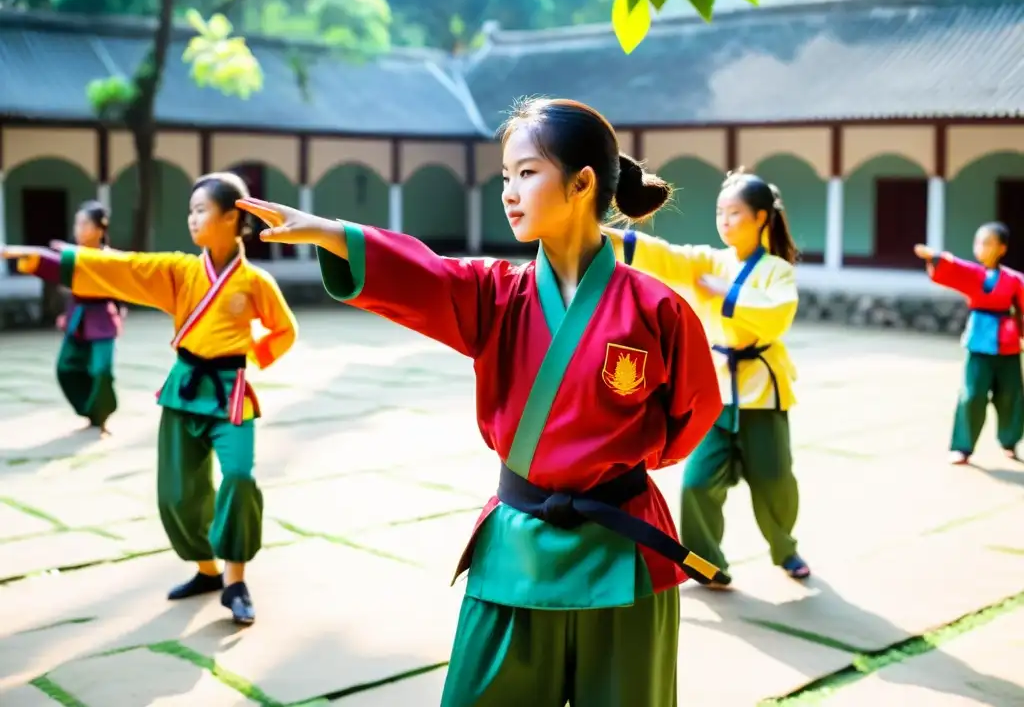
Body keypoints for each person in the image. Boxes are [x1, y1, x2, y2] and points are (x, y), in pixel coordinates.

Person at [235, 97, 723, 707]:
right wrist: (329, 233)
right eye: (505, 177)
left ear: (582, 182)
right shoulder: (494, 293)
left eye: (526, 173)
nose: (509, 192)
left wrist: (613, 468)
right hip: (516, 546)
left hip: (622, 553)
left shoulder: (657, 309)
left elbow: (693, 411)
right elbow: (424, 277)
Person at [1, 172, 298, 625]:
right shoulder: (180, 271)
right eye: (190, 210)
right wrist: (45, 262)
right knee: (179, 494)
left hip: (230, 393)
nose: (192, 218)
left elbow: (284, 330)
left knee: (239, 477)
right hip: (183, 389)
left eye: (202, 210)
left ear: (231, 218)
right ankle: (207, 571)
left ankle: (235, 582)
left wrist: (254, 354)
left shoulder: (255, 282)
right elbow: (122, 267)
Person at [603, 168, 808, 587]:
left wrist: (726, 291)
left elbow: (777, 315)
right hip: (717, 391)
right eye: (721, 212)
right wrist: (598, 232)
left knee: (775, 482)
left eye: (735, 213)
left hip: (761, 395)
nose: (725, 221)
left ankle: (785, 548)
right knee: (697, 483)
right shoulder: (708, 260)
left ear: (762, 219)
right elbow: (663, 255)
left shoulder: (777, 271)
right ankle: (705, 562)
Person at [914, 223, 1024, 464]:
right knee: (972, 395)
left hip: (1008, 344)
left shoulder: (1015, 280)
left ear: (1002, 248)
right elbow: (957, 268)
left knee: (1011, 395)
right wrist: (935, 257)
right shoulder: (975, 274)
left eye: (987, 243)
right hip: (978, 342)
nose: (980, 248)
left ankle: (1010, 441)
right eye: (978, 243)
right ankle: (963, 446)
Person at [11, 200, 123, 435]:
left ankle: (101, 417)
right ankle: (89, 411)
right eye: (77, 223)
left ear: (100, 230)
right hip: (78, 316)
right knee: (66, 368)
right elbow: (51, 263)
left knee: (102, 371)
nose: (78, 228)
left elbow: (122, 288)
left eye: (84, 223)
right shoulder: (72, 255)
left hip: (102, 318)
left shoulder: (109, 258)